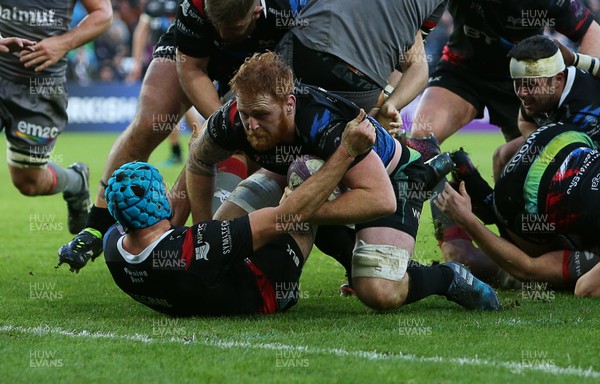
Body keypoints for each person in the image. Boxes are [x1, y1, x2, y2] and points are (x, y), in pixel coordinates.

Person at [186, 52, 500, 311]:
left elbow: (380, 199)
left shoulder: (326, 124)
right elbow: (199, 161)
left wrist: (290, 213)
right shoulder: (230, 120)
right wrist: (203, 232)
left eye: (261, 115)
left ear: (290, 104)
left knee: (378, 291)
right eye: (244, 115)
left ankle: (447, 277)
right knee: (224, 238)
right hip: (315, 178)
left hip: (393, 179)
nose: (251, 125)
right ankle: (324, 270)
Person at [57, 0, 308, 272]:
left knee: (261, 148)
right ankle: (96, 226)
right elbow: (192, 70)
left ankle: (178, 243)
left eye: (231, 27)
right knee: (150, 123)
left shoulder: (287, 7)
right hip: (195, 49)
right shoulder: (195, 7)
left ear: (257, 10)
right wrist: (227, 127)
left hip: (261, 54)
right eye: (218, 25)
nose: (224, 33)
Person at [103, 110, 375, 316]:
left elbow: (171, 228)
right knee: (305, 176)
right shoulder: (197, 245)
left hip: (209, 276)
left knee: (266, 178)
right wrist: (346, 151)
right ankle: (356, 255)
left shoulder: (113, 245)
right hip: (266, 284)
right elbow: (288, 213)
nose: (167, 192)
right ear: (155, 205)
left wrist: (195, 157)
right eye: (162, 190)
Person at [408, 0, 600, 272]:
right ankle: (451, 244)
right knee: (420, 139)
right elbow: (412, 17)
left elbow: (591, 31)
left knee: (514, 161)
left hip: (529, 78)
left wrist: (577, 89)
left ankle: (515, 247)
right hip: (464, 70)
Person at [434, 121, 600, 296]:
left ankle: (480, 196)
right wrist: (467, 220)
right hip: (522, 196)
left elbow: (502, 153)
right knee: (467, 259)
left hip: (563, 135)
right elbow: (533, 269)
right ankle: (439, 172)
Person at [0, 1, 112, 235]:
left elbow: (103, 13)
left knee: (28, 182)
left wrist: (63, 43)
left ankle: (75, 181)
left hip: (42, 87)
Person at [274, 0, 448, 132]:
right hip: (363, 87)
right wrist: (390, 103)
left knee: (265, 117)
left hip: (310, 52)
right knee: (336, 146)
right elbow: (416, 64)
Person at [510, 35, 600, 140]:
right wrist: (538, 142)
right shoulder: (539, 91)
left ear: (558, 79)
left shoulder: (585, 113)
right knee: (503, 154)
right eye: (517, 83)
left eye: (530, 84)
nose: (521, 93)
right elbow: (524, 121)